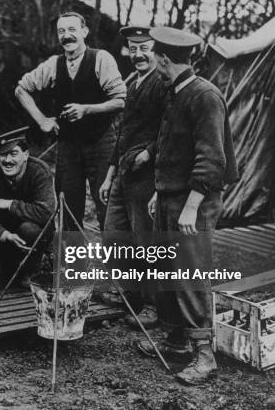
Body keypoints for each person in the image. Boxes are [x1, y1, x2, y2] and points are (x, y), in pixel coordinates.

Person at [136, 27, 238, 385]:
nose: (154, 64)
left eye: (155, 58)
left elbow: (212, 160)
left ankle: (205, 355)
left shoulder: (204, 95)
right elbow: (171, 149)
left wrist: (191, 206)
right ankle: (177, 341)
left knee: (190, 272)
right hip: (171, 195)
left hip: (195, 198)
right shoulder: (175, 91)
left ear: (164, 59)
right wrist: (159, 192)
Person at [15, 11, 126, 229]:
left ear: (84, 32)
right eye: (61, 31)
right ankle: (75, 263)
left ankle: (114, 262)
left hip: (101, 143)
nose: (67, 36)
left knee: (107, 204)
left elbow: (121, 100)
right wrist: (41, 120)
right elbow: (21, 90)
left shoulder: (101, 58)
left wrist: (88, 109)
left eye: (72, 30)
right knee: (67, 207)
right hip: (68, 146)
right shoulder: (53, 64)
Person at [98, 26, 168, 329]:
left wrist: (149, 154)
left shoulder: (162, 84)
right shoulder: (131, 82)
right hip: (123, 174)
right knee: (114, 235)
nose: (138, 54)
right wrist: (108, 175)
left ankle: (153, 306)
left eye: (145, 48)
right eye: (133, 48)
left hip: (146, 175)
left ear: (156, 51)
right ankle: (129, 294)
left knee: (145, 241)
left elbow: (170, 129)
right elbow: (122, 135)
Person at [0, 127, 56, 286]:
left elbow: (47, 212)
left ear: (26, 155)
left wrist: (10, 204)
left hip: (29, 237)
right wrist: (4, 234)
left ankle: (28, 274)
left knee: (30, 230)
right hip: (3, 236)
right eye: (3, 154)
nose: (7, 160)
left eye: (13, 154)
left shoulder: (39, 171)